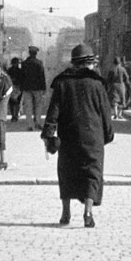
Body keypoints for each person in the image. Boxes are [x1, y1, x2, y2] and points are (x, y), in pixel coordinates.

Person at [43, 44, 114, 228]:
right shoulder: (97, 84)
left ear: (73, 63)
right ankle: (88, 212)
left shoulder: (62, 83)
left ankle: (65, 213)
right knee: (92, 173)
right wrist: (107, 135)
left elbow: (53, 113)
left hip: (68, 136)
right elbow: (105, 114)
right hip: (93, 137)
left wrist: (49, 135)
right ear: (90, 63)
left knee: (67, 172)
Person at [20, 45, 48, 126]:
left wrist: (22, 88)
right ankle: (38, 122)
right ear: (36, 54)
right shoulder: (39, 63)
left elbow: (22, 77)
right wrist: (44, 88)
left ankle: (30, 124)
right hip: (37, 88)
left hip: (27, 88)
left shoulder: (24, 64)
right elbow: (42, 76)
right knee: (38, 106)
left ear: (29, 53)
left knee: (28, 107)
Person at [7, 54, 25, 123]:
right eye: (14, 63)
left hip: (18, 88)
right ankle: (13, 115)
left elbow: (22, 79)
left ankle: (16, 115)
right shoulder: (9, 71)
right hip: (11, 88)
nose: (15, 64)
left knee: (17, 102)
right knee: (11, 102)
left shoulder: (20, 71)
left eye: (16, 63)